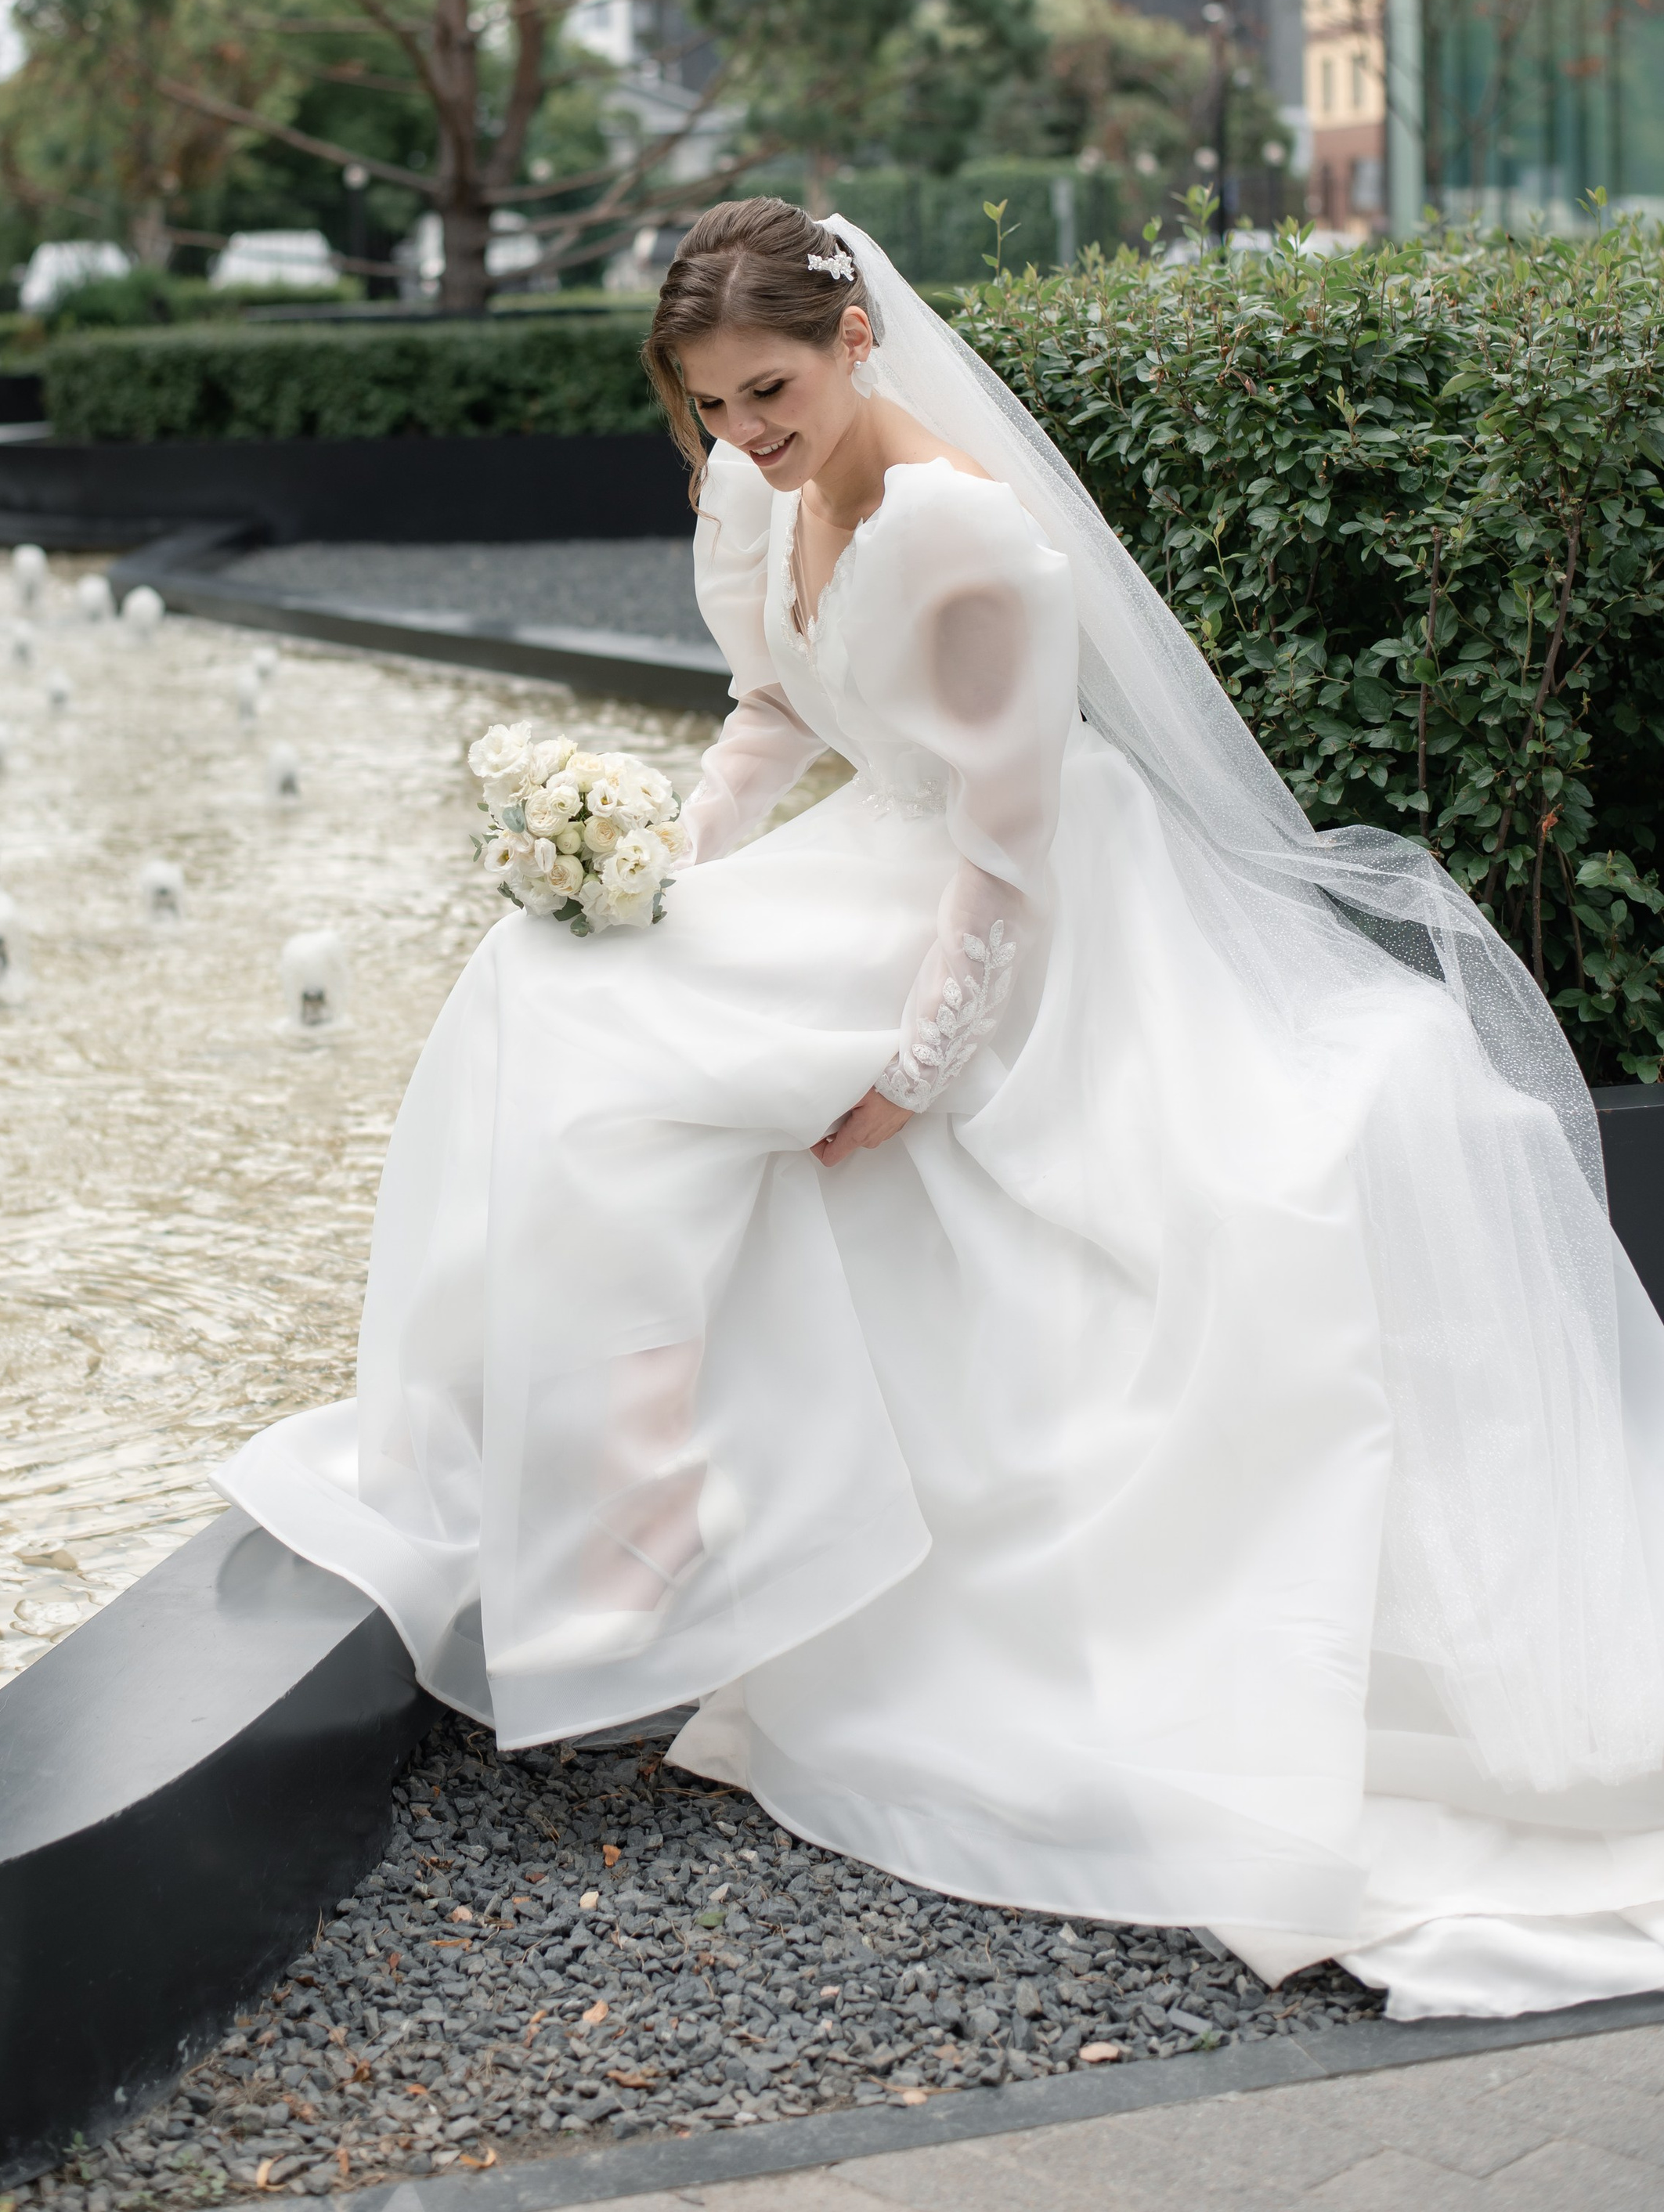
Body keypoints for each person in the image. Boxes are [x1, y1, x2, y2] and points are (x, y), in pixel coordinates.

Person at [217, 197, 1664, 2025]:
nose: (743, 434)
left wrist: (910, 1081)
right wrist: (655, 867)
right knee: (552, 980)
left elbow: (1006, 860)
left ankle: (640, 1528)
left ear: (853, 342)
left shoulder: (970, 547)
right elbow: (765, 711)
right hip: (860, 863)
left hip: (1015, 924)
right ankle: (562, 1473)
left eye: (770, 389)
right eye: (709, 405)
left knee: (634, 1067)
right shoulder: (748, 495)